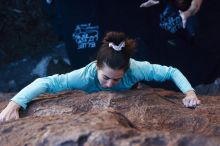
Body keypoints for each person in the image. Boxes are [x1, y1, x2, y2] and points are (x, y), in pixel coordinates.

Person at [0, 32, 200, 123]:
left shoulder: (137, 69)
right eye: (105, 77)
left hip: (133, 99)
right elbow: (45, 82)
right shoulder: (83, 77)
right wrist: (14, 104)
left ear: (127, 70)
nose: (110, 84)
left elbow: (171, 71)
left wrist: (189, 92)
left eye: (116, 79)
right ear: (96, 66)